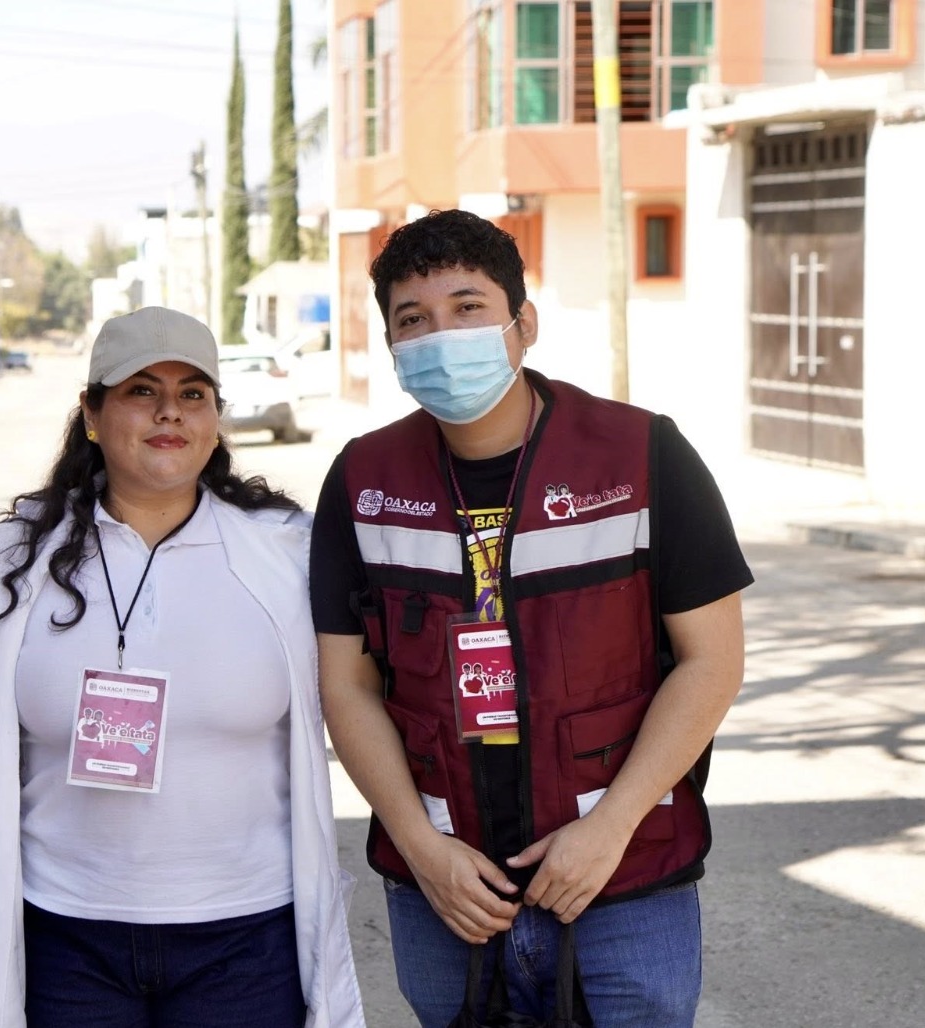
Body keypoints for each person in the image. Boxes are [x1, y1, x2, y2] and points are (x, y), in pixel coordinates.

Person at [310, 210, 751, 1027]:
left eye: (467, 307)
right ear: (393, 346)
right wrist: (420, 848)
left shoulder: (643, 455)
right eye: (414, 320)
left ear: (523, 325)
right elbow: (346, 685)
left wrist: (609, 828)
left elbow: (713, 661)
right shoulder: (362, 481)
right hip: (444, 890)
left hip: (621, 878)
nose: (441, 334)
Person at [0, 306, 364, 1028]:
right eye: (142, 390)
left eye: (193, 393)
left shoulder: (284, 552)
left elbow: (366, 693)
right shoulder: (19, 558)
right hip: (65, 934)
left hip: (244, 937)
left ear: (216, 415)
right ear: (91, 412)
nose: (169, 412)